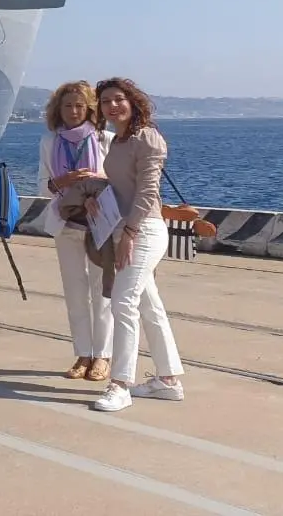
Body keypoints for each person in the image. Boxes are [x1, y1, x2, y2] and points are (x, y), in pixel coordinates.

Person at [92, 78, 185, 413]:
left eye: (118, 99)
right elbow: (121, 186)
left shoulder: (147, 137)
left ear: (132, 102)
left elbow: (147, 192)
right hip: (126, 229)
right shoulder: (118, 141)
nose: (112, 106)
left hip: (143, 230)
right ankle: (168, 379)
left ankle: (120, 384)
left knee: (123, 302)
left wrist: (129, 233)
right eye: (105, 101)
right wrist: (96, 200)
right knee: (149, 305)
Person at [39, 81, 113, 382]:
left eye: (79, 106)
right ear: (59, 109)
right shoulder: (49, 142)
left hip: (100, 224)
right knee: (74, 292)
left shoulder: (105, 139)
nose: (73, 111)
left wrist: (96, 181)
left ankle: (103, 355)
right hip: (66, 221)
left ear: (90, 109)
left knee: (102, 290)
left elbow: (118, 180)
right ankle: (83, 353)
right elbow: (43, 184)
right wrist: (65, 180)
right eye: (67, 106)